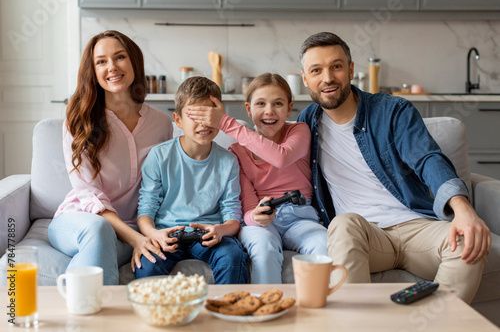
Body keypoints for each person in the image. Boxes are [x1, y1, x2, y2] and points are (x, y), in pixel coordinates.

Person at [297, 32, 491, 303]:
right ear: (305, 79)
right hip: (365, 235)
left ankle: (436, 324)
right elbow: (274, 158)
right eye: (316, 70)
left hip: (416, 226)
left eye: (336, 66)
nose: (327, 78)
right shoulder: (306, 123)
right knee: (343, 224)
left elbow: (428, 159)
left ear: (351, 69)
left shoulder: (392, 111)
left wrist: (463, 210)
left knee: (467, 243)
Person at [48, 30, 173, 285]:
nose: (112, 67)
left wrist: (143, 235)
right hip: (79, 221)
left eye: (119, 57)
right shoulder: (79, 121)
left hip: (133, 227)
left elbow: (163, 186)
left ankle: (80, 300)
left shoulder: (161, 123)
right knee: (98, 228)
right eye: (101, 61)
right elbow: (88, 194)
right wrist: (135, 239)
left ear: (134, 62)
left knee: (109, 250)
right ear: (92, 71)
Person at [186, 73, 327, 284]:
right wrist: (256, 218)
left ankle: (318, 308)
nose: (269, 111)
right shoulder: (236, 152)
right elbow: (248, 208)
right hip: (261, 224)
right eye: (260, 103)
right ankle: (267, 307)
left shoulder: (299, 131)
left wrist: (226, 123)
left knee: (322, 243)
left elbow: (281, 157)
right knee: (263, 247)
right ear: (249, 109)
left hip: (300, 217)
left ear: (289, 108)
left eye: (278, 103)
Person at [134, 76, 248, 284]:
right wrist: (153, 234)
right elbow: (145, 211)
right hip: (167, 234)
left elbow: (233, 215)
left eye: (210, 115)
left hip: (207, 235)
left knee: (232, 256)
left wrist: (220, 230)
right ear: (178, 120)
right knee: (148, 265)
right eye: (194, 116)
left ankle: (227, 311)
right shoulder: (159, 156)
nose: (204, 123)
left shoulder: (229, 161)